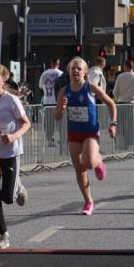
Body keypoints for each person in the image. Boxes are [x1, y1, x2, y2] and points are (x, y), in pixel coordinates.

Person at [55, 57, 118, 216]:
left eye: (79, 68)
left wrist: (113, 123)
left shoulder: (91, 88)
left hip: (90, 132)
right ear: (69, 72)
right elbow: (57, 116)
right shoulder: (64, 91)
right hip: (74, 133)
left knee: (89, 163)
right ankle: (88, 201)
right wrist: (62, 108)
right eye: (73, 68)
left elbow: (111, 103)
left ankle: (98, 161)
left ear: (85, 72)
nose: (75, 71)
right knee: (79, 169)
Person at [0, 64, 32, 250]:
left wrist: (13, 136)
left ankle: (18, 187)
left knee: (8, 198)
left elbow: (26, 124)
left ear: (3, 81)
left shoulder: (11, 101)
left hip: (10, 153)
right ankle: (3, 234)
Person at [39, 58, 63, 144]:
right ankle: (62, 138)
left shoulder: (44, 73)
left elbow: (41, 86)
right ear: (58, 64)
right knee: (61, 120)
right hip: (58, 100)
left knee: (49, 121)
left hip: (47, 100)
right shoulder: (61, 73)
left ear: (51, 63)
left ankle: (49, 139)